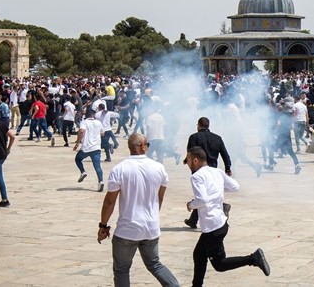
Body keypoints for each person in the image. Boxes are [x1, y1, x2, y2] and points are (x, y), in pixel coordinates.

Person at [98, 133, 179, 287]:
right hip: (151, 227)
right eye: (147, 145)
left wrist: (103, 225)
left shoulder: (120, 169)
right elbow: (159, 198)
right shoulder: (159, 168)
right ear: (142, 146)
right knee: (155, 264)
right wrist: (153, 215)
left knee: (121, 270)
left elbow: (110, 201)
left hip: (127, 229)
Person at [184, 146, 271, 286]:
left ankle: (253, 258)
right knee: (199, 254)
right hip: (219, 223)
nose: (187, 164)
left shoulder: (196, 177)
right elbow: (235, 186)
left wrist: (190, 205)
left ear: (195, 160)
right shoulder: (217, 171)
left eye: (187, 161)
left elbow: (201, 200)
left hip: (212, 227)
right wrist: (216, 189)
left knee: (219, 265)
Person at [184, 117, 232, 229]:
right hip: (213, 170)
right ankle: (192, 220)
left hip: (199, 170)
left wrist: (187, 162)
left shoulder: (194, 137)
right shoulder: (217, 138)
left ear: (199, 125)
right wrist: (228, 168)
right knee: (206, 194)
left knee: (202, 195)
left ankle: (223, 206)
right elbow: (225, 154)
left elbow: (190, 152)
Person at [75, 108, 106, 192]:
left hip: (86, 147)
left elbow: (81, 131)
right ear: (93, 115)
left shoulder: (84, 122)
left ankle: (83, 172)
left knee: (78, 159)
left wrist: (77, 143)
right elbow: (103, 133)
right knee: (97, 166)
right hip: (96, 148)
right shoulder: (98, 122)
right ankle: (101, 181)